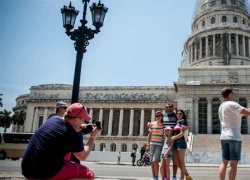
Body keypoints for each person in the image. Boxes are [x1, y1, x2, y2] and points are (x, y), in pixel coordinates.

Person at [21, 103, 102, 180]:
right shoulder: (71, 134)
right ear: (76, 119)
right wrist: (93, 136)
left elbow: (65, 127)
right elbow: (82, 156)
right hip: (43, 174)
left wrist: (79, 127)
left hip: (27, 169)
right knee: (89, 175)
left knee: (67, 153)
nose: (84, 122)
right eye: (83, 119)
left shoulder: (53, 118)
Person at [218, 87, 250, 180]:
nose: (234, 96)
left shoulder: (221, 106)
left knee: (224, 161)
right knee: (233, 162)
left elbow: (240, 115)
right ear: (230, 94)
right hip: (234, 137)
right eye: (234, 94)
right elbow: (248, 112)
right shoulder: (233, 104)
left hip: (224, 136)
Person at [171, 109, 192, 180]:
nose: (179, 115)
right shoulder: (177, 122)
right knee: (176, 162)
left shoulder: (182, 121)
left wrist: (173, 137)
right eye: (177, 113)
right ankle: (188, 175)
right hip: (175, 143)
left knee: (181, 161)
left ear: (183, 115)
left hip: (181, 142)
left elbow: (182, 133)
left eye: (180, 114)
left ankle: (182, 177)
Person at [160, 103, 178, 180]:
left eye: (170, 107)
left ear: (173, 107)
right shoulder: (163, 116)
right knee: (163, 164)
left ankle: (173, 176)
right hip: (164, 139)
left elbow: (179, 124)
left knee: (175, 160)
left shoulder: (176, 116)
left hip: (174, 139)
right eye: (167, 107)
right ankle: (164, 177)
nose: (168, 108)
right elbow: (160, 125)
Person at [147, 110, 164, 180]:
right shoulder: (152, 124)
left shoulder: (163, 125)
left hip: (159, 145)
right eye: (156, 116)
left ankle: (156, 177)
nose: (158, 117)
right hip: (152, 144)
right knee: (152, 162)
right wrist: (148, 144)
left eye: (159, 115)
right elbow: (149, 135)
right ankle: (153, 176)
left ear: (161, 116)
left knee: (155, 161)